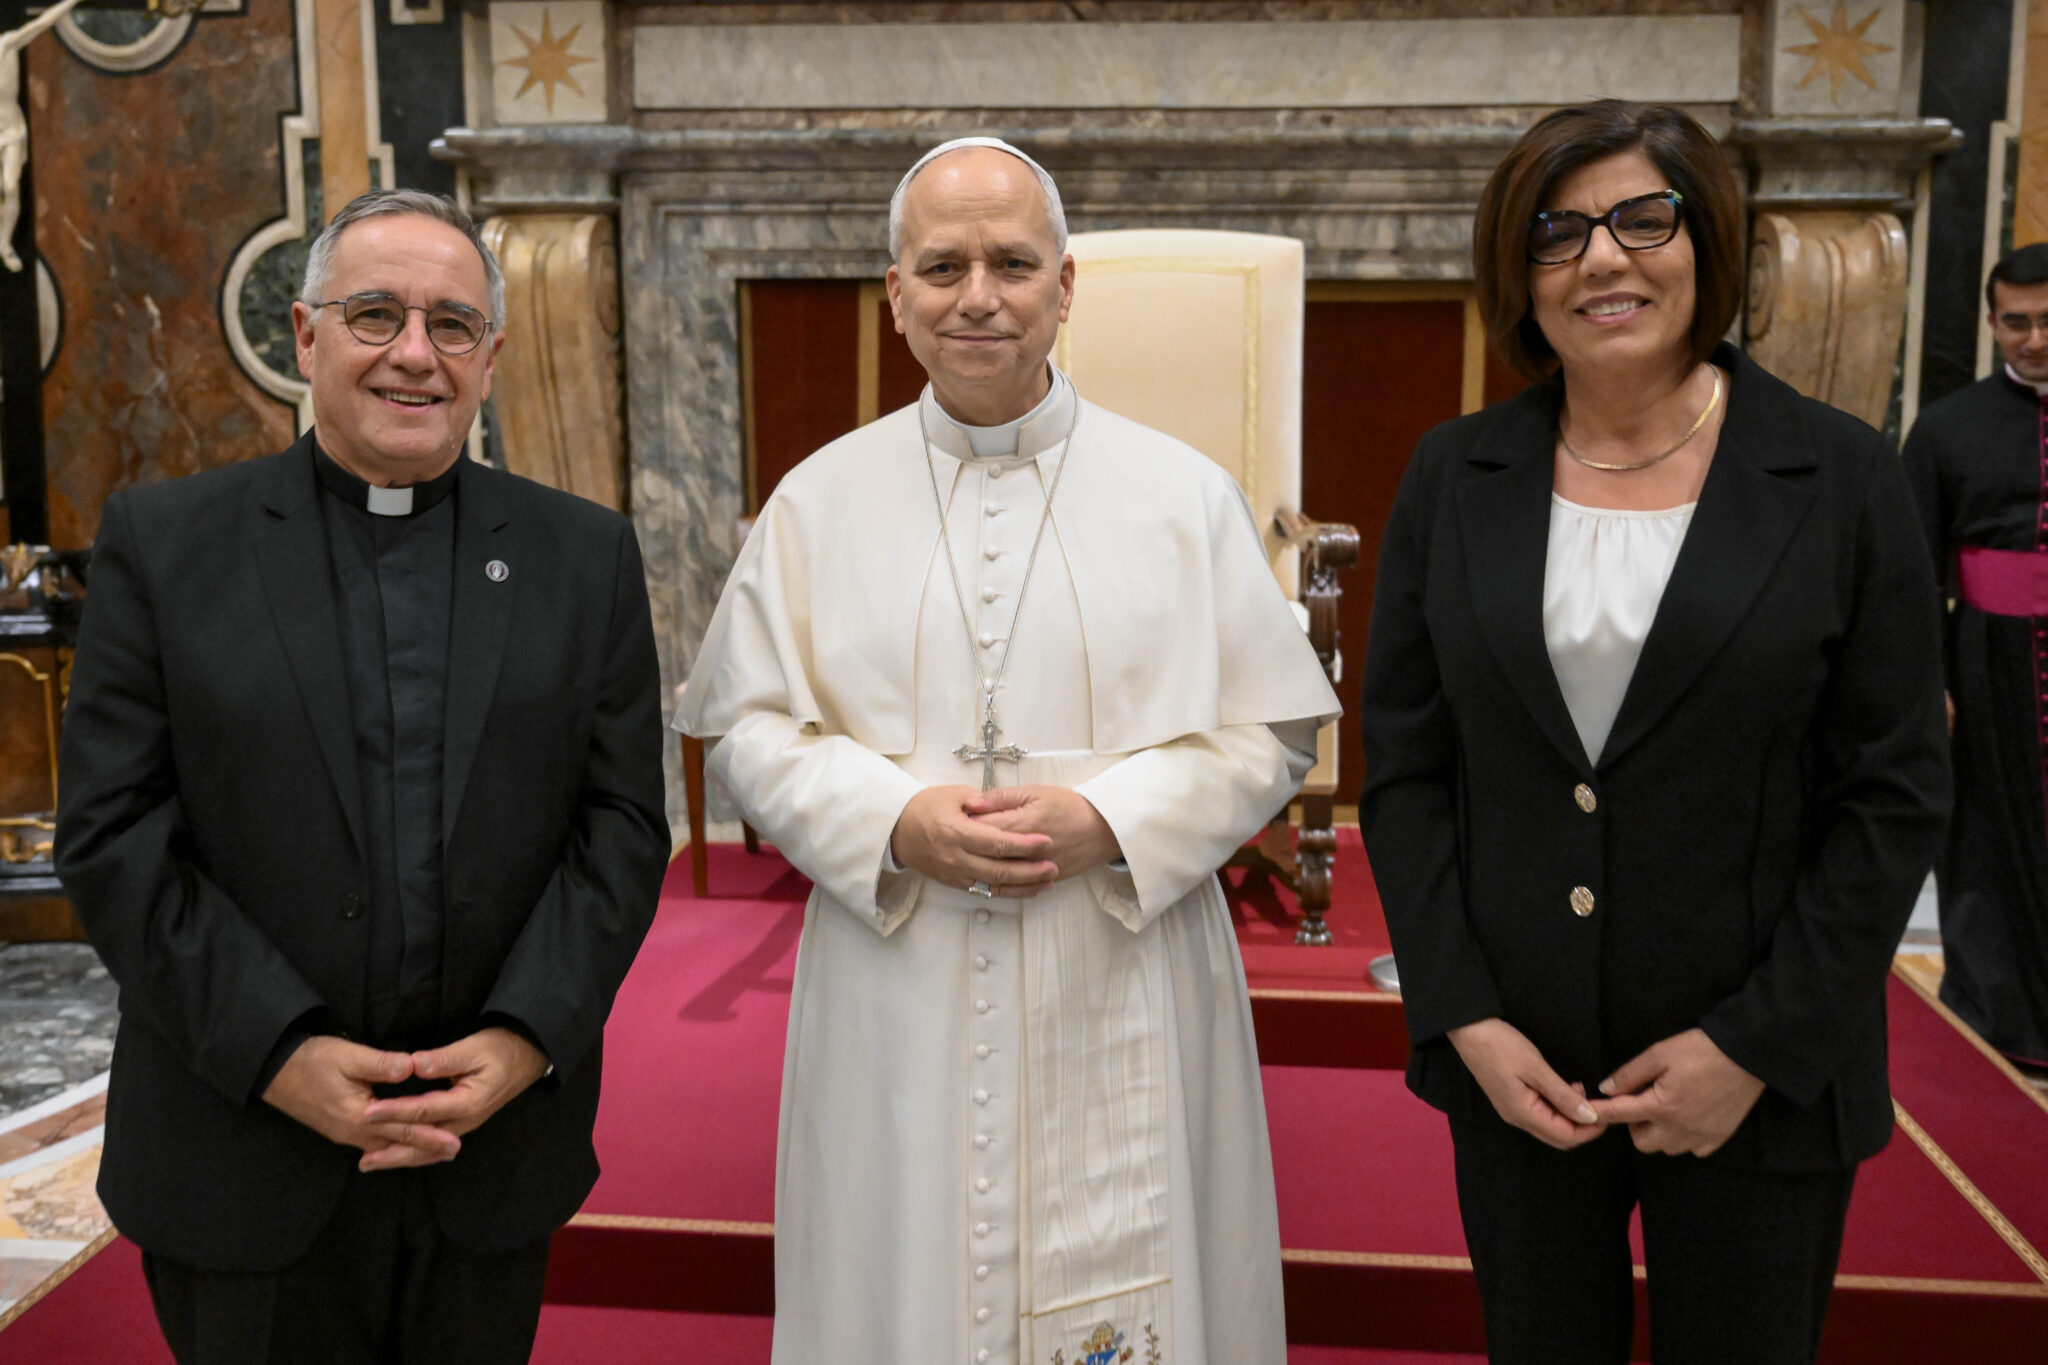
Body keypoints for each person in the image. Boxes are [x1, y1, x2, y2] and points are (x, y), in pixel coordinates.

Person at [676, 137, 1337, 1365]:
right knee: (905, 1266)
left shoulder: (1181, 495)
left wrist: (1113, 821)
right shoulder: (818, 500)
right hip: (900, 964)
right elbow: (748, 725)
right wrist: (889, 820)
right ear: (895, 296)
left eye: (1011, 264)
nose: (975, 297)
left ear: (1064, 285)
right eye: (942, 267)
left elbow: (1272, 725)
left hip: (1119, 942)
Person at [1359, 101, 1949, 1365]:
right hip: (1520, 1073)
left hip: (1759, 1071)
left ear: (1706, 242)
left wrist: (1753, 1045)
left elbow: (1893, 791)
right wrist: (1464, 1016)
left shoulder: (1842, 476)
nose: (1600, 260)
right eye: (1557, 233)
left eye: (1642, 219)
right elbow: (1405, 772)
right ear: (1518, 271)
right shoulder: (1452, 476)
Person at [55, 189, 669, 1364]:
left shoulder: (581, 555)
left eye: (451, 324)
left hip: (486, 1153)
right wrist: (276, 1054)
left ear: (490, 357)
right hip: (242, 1148)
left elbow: (622, 825)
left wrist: (523, 1040)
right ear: (304, 335)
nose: (413, 354)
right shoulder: (167, 545)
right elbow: (112, 836)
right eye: (375, 314)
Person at [1904, 242, 2048, 1070]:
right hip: (1990, 664)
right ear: (1992, 323)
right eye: (2016, 322)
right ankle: (2003, 1018)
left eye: (2047, 321)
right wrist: (1928, 682)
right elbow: (1909, 570)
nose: (2034, 339)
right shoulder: (1946, 427)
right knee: (1987, 842)